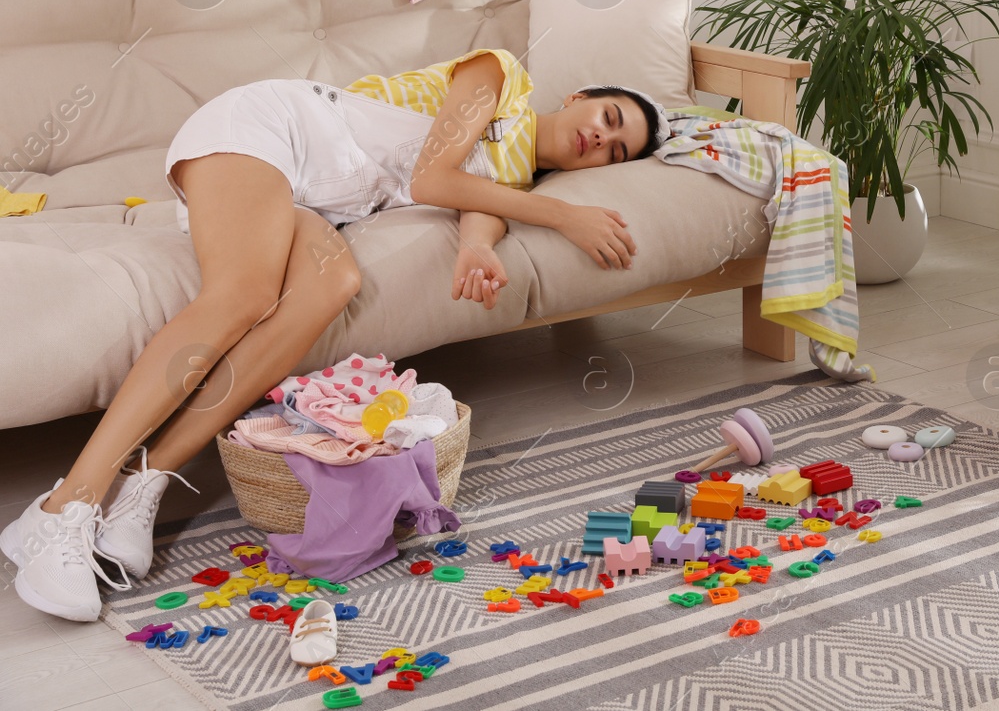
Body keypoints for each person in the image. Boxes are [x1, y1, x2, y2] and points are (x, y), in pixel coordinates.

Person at [0, 47, 669, 621]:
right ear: (579, 96)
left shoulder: (514, 174)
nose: (600, 139)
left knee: (332, 286)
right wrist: (561, 217)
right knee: (245, 294)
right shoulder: (502, 75)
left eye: (615, 151)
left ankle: (148, 477)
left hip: (311, 198)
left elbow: (477, 205)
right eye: (608, 118)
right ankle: (65, 505)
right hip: (272, 129)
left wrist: (477, 251)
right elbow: (436, 176)